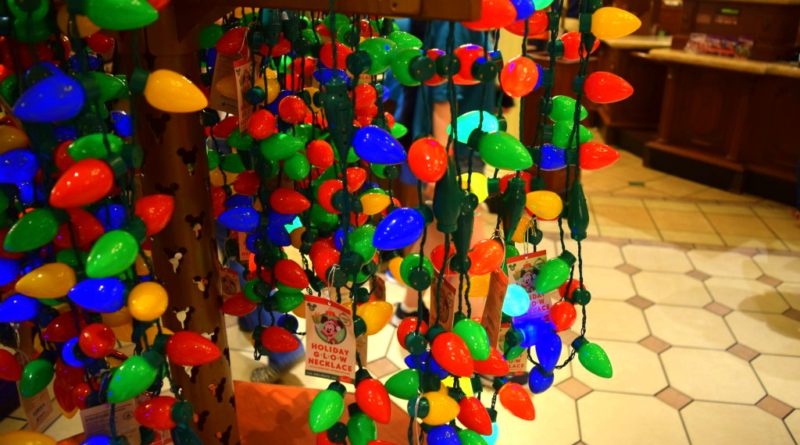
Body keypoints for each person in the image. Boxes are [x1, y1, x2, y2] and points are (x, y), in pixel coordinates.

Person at [388, 21, 497, 326]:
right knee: (469, 236)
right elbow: (443, 100)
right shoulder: (457, 19)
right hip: (455, 150)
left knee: (437, 229)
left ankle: (409, 307)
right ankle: (479, 322)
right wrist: (441, 169)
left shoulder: (466, 18)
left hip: (457, 146)